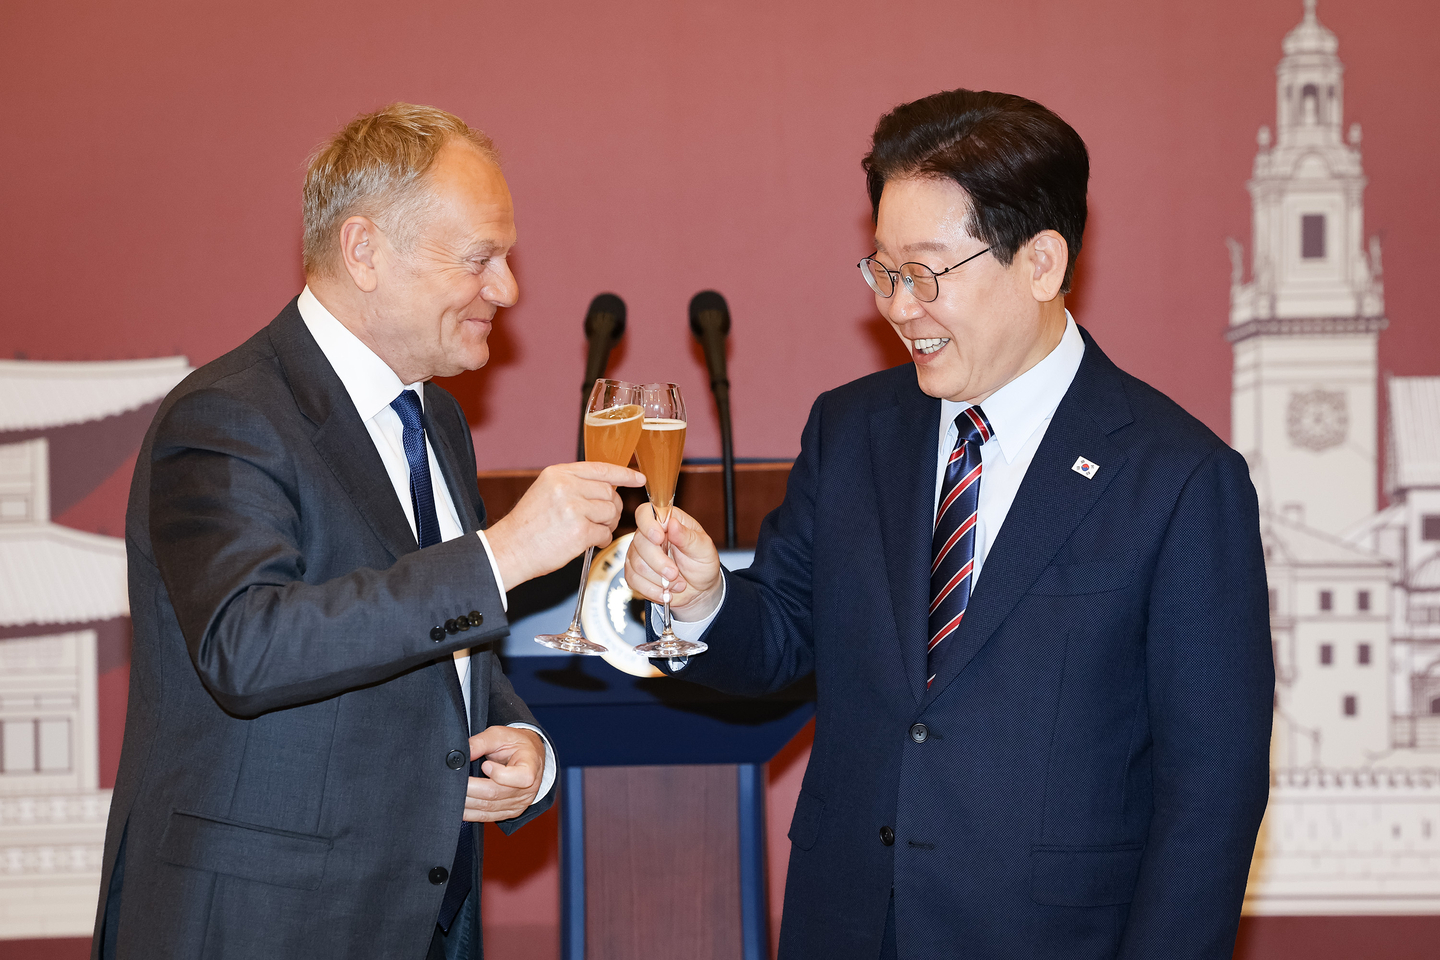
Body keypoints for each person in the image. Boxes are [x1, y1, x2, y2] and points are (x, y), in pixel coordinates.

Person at [626, 89, 1274, 960]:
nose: (899, 307)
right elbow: (782, 640)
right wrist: (705, 599)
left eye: (927, 273)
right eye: (883, 271)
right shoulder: (852, 430)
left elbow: (1213, 791)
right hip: (849, 926)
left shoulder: (1180, 478)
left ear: (1040, 264)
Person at [92, 103, 644, 960]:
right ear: (364, 251)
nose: (508, 289)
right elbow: (250, 645)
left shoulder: (436, 420)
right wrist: (502, 555)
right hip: (257, 929)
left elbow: (435, 647)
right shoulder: (227, 414)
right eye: (480, 259)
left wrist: (522, 743)